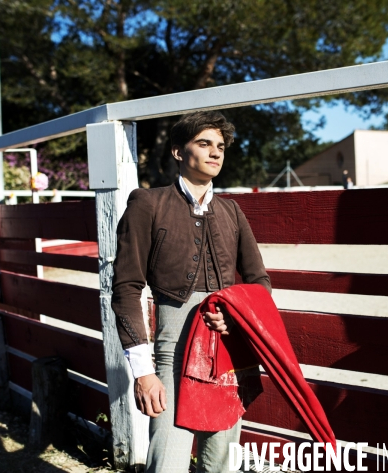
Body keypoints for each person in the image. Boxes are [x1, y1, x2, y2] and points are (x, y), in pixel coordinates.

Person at [111, 111, 271, 473]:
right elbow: (125, 288)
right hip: (174, 349)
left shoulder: (232, 211)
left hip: (229, 349)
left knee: (221, 464)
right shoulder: (147, 203)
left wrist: (236, 314)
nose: (215, 153)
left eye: (220, 146)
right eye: (204, 144)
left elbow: (259, 280)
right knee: (166, 460)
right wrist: (143, 372)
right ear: (178, 152)